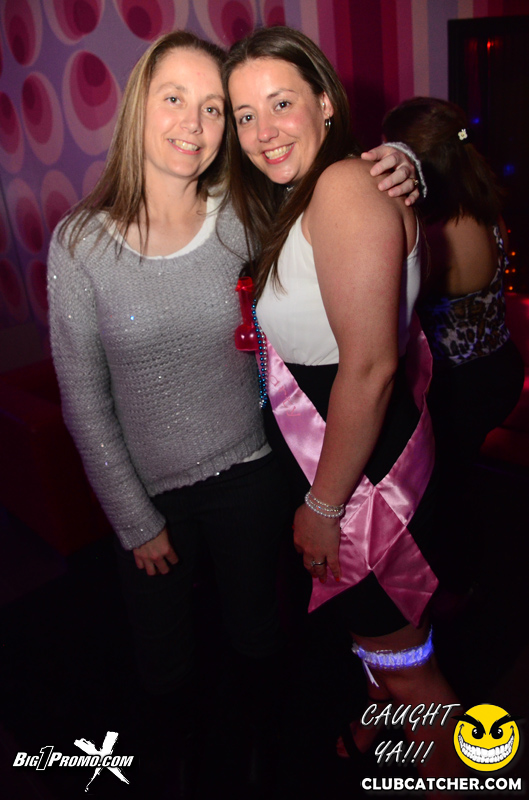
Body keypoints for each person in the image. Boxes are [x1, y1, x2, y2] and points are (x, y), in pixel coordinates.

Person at [47, 28, 418, 796]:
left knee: (258, 638)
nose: (194, 123)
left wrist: (408, 161)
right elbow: (83, 400)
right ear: (138, 109)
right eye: (173, 99)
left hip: (254, 472)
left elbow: (332, 192)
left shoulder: (242, 211)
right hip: (148, 495)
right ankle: (179, 765)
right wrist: (133, 519)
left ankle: (258, 759)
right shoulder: (79, 244)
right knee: (163, 660)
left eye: (214, 108)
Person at [223, 26, 464, 786]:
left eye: (281, 103)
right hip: (358, 465)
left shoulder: (343, 187)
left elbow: (368, 366)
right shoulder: (318, 189)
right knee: (390, 647)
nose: (263, 131)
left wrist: (323, 507)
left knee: (413, 674)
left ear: (325, 102)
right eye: (245, 114)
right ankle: (377, 721)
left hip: (361, 489)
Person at [381, 97, 524, 595]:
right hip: (500, 367)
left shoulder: (437, 231)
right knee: (460, 482)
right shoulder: (486, 210)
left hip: (460, 385)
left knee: (444, 496)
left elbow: (393, 307)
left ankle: (457, 590)